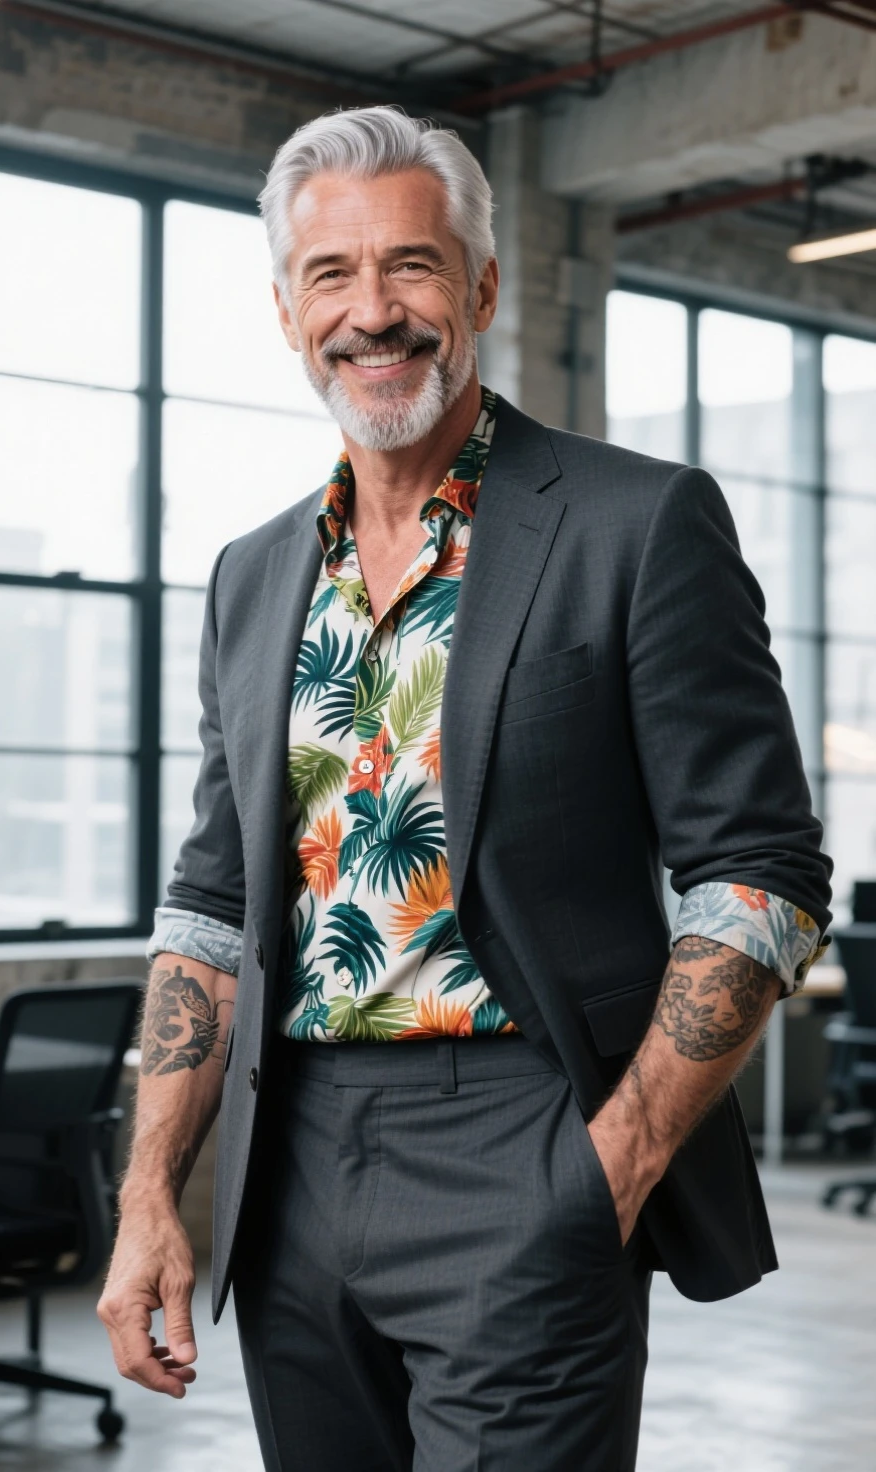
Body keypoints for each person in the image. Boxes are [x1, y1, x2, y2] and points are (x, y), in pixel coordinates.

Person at [98, 106, 832, 1471]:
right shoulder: (255, 577)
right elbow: (208, 908)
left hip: (521, 1134)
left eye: (412, 267)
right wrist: (149, 1195)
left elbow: (762, 878)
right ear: (285, 311)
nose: (372, 312)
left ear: (482, 287)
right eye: (331, 276)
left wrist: (606, 1167)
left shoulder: (635, 521)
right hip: (290, 1161)